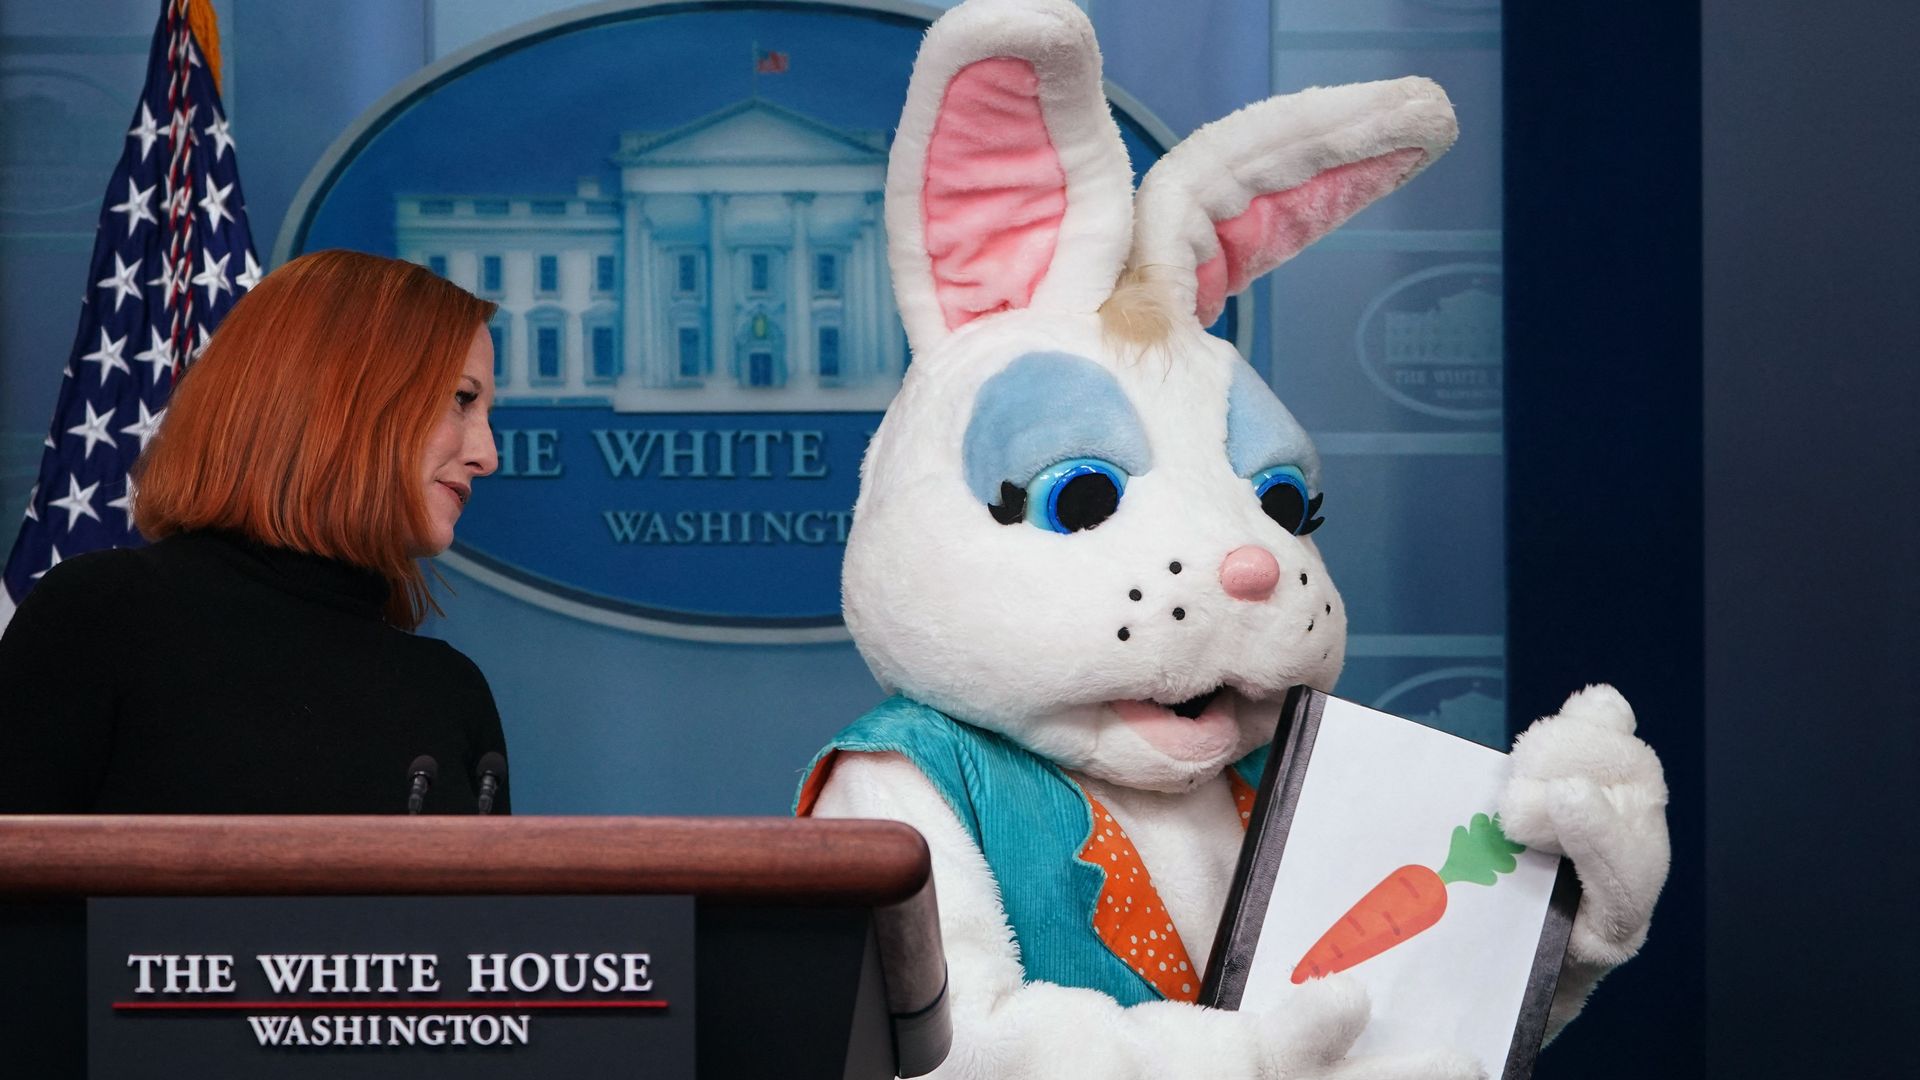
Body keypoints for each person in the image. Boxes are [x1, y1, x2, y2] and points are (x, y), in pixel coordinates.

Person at [0, 249, 509, 814]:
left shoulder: (449, 691)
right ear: (340, 398)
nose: (487, 456)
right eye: (463, 399)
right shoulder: (102, 617)